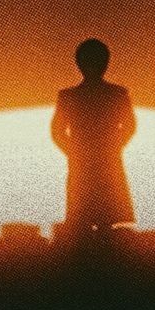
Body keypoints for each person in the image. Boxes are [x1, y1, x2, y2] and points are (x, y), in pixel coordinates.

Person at [51, 39, 136, 233]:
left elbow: (57, 132)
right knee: (88, 218)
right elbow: (130, 126)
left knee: (96, 217)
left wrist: (75, 151)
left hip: (92, 161)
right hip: (95, 161)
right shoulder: (116, 94)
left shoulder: (71, 96)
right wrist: (111, 146)